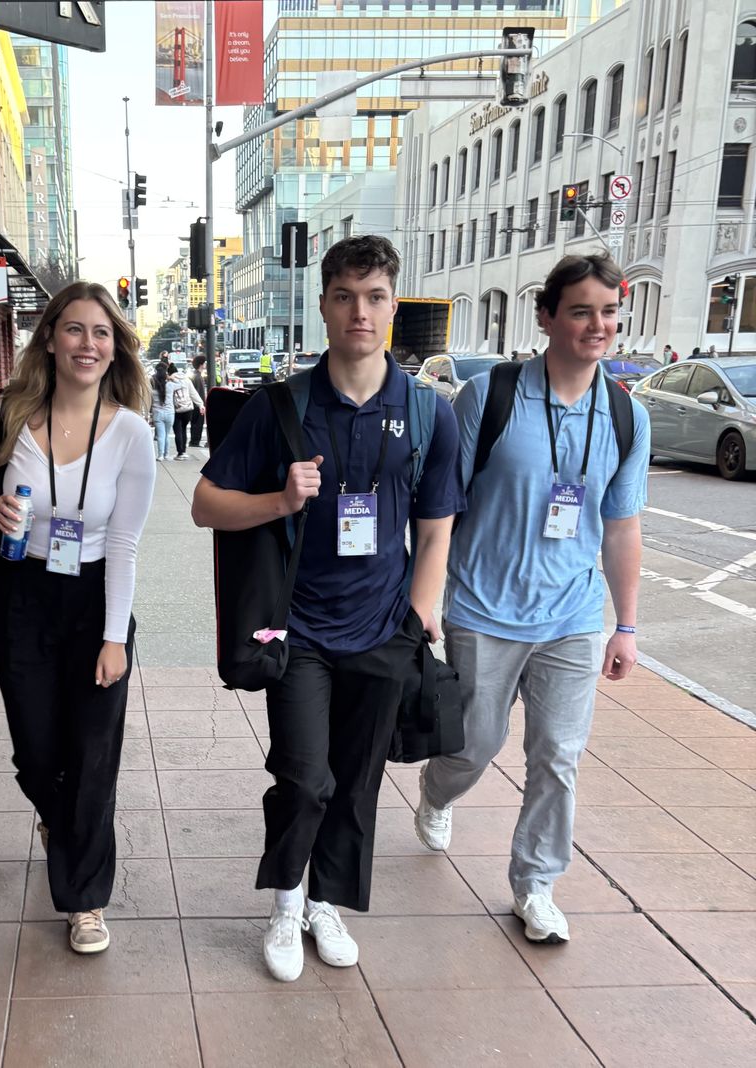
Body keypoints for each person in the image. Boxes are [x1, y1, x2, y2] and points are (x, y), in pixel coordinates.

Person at [191, 235, 461, 982]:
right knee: (305, 777)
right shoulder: (282, 408)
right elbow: (204, 504)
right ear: (324, 306)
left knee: (357, 780)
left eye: (374, 297)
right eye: (344, 296)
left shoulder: (428, 414)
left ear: (393, 305)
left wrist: (421, 610)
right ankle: (286, 900)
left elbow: (436, 525)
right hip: (296, 629)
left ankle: (326, 904)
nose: (360, 312)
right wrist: (279, 499)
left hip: (383, 630)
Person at [415, 253, 649, 945]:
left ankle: (536, 883)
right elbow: (442, 504)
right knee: (475, 743)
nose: (597, 325)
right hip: (484, 607)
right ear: (547, 317)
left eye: (608, 312)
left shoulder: (626, 416)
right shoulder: (492, 396)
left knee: (558, 755)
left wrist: (626, 625)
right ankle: (438, 789)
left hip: (572, 617)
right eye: (580, 310)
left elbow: (622, 525)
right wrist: (426, 594)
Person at [0, 281, 156, 955]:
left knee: (94, 755)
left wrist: (114, 637)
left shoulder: (132, 432)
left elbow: (127, 541)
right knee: (38, 750)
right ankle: (58, 818)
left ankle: (84, 899)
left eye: (101, 333)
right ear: (49, 337)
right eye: (74, 330)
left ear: (115, 347)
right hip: (22, 594)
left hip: (97, 596)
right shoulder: (12, 412)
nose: (88, 344)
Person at [169, 361, 204, 461]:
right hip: (188, 409)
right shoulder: (186, 380)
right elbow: (193, 393)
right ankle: (184, 451)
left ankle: (180, 452)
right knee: (184, 429)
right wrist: (201, 404)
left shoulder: (170, 381)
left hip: (176, 409)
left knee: (178, 431)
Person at [149, 361, 177, 461]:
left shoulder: (152, 386)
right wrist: (171, 378)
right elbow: (181, 385)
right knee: (167, 434)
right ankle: (166, 454)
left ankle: (160, 455)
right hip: (170, 412)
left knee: (160, 435)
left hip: (157, 413)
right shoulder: (170, 385)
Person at [189, 355, 209, 448]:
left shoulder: (195, 376)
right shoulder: (198, 377)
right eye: (204, 362)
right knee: (198, 424)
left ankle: (194, 441)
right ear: (201, 364)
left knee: (194, 424)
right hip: (198, 405)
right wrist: (201, 404)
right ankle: (195, 441)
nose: (205, 364)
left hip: (195, 404)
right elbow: (198, 392)